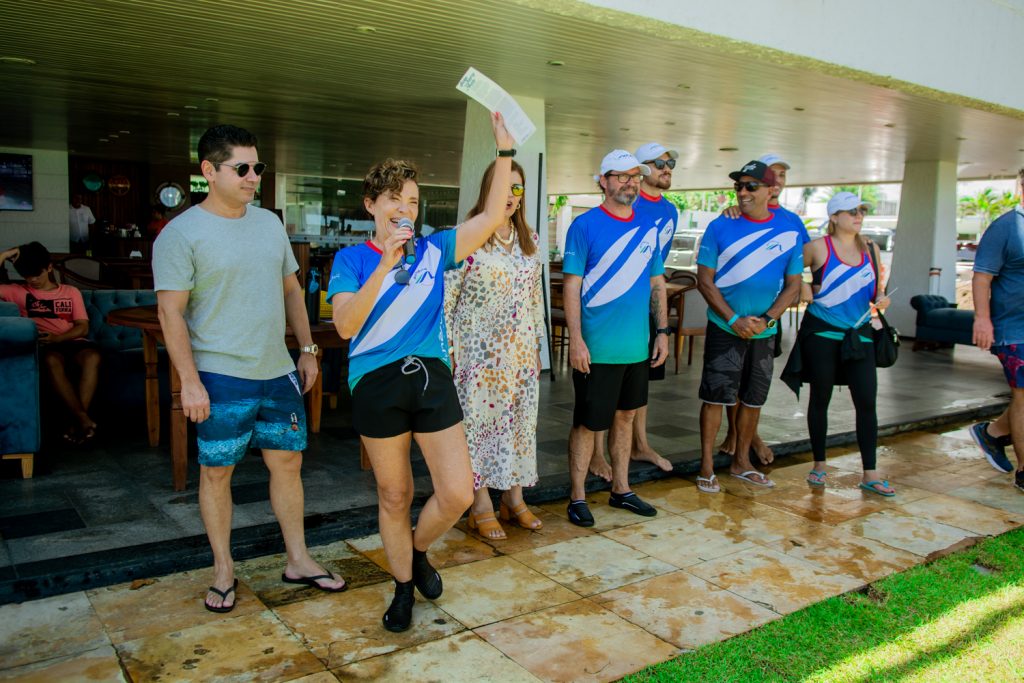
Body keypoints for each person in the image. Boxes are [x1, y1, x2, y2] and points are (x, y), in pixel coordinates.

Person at [327, 112, 515, 632]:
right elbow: (344, 326)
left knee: (455, 492)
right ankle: (403, 585)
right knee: (395, 495)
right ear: (371, 205)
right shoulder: (350, 259)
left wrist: (503, 154)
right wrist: (385, 264)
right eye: (395, 200)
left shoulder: (436, 249)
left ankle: (416, 549)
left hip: (430, 376)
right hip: (377, 384)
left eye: (412, 201)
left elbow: (494, 215)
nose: (405, 209)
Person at [153, 124, 346, 615]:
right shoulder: (181, 235)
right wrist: (190, 381)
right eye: (241, 168)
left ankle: (298, 559)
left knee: (289, 464)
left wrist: (307, 349)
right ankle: (223, 570)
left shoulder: (268, 223)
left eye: (257, 167)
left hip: (276, 371)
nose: (252, 177)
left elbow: (290, 290)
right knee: (218, 472)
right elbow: (169, 313)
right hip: (219, 375)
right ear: (208, 172)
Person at [563, 149, 669, 527]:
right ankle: (576, 497)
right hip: (597, 349)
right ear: (602, 181)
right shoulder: (585, 226)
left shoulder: (647, 227)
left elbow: (657, 283)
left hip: (636, 347)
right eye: (620, 176)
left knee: (625, 417)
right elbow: (571, 286)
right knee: (588, 423)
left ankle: (621, 489)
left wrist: (662, 332)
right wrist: (576, 339)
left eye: (635, 175)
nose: (630, 182)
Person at [444, 159, 544, 541]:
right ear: (489, 188)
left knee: (518, 428)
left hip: (518, 355)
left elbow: (534, 299)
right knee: (479, 429)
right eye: (505, 186)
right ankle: (480, 504)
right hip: (477, 355)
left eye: (518, 189)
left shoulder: (529, 240)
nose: (510, 196)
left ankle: (514, 498)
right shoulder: (466, 235)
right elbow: (447, 299)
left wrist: (536, 348)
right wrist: (450, 350)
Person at [695, 160, 803, 493]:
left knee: (753, 400)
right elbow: (705, 280)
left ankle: (742, 462)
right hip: (724, 327)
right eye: (738, 187)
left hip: (764, 331)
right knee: (715, 397)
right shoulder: (720, 226)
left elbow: (794, 285)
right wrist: (732, 319)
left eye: (750, 186)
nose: (742, 192)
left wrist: (767, 319)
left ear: (772, 190)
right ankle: (707, 467)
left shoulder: (791, 226)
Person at [781, 192, 894, 496]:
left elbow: (876, 292)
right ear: (833, 217)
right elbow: (785, 269)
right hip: (823, 335)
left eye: (861, 210)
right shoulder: (818, 247)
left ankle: (870, 472)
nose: (858, 216)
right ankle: (819, 465)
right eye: (850, 211)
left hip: (860, 335)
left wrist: (882, 300)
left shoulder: (871, 247)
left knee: (867, 402)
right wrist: (803, 285)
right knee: (821, 399)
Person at [586, 142, 677, 481]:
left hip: (643, 310)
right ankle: (597, 453)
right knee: (600, 391)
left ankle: (640, 443)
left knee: (640, 386)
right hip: (607, 314)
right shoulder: (622, 207)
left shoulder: (670, 211)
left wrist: (662, 326)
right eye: (659, 163)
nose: (667, 168)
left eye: (671, 163)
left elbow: (656, 272)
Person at [716, 153, 808, 466]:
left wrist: (774, 312)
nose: (779, 180)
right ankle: (741, 436)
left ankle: (747, 438)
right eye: (774, 174)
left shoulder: (792, 221)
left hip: (769, 315)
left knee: (755, 383)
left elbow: (798, 265)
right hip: (733, 318)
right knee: (731, 379)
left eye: (782, 175)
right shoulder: (735, 214)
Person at [0, 241, 100, 444]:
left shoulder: (70, 292)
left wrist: (59, 337)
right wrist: (5, 254)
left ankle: (77, 422)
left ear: (49, 268)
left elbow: (82, 327)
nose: (33, 280)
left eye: (38, 274)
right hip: (47, 346)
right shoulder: (17, 291)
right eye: (28, 275)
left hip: (71, 340)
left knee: (93, 357)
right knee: (52, 361)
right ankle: (82, 419)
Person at [969, 167, 1024, 492]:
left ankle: (992, 434)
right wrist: (982, 319)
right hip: (1014, 330)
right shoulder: (1006, 227)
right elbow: (981, 276)